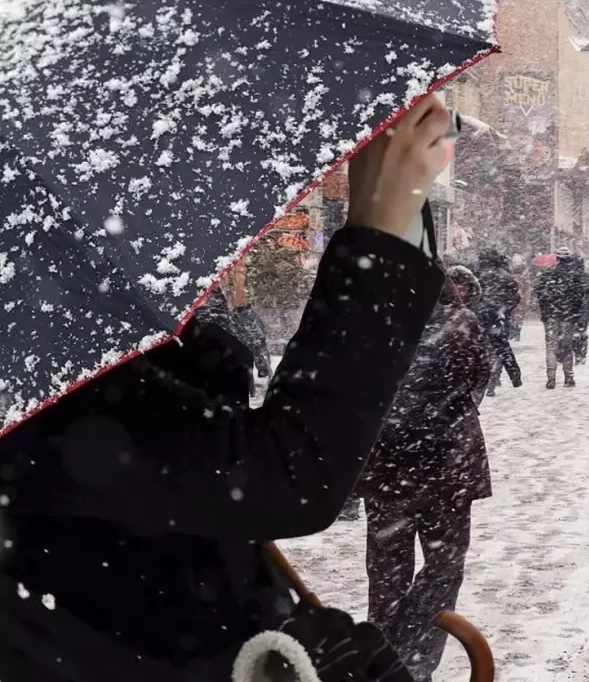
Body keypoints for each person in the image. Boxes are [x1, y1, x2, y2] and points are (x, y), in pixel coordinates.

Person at [0, 98, 451, 682]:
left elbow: (204, 515)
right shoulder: (35, 358)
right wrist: (380, 228)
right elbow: (285, 473)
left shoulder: (71, 323)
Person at [358, 265, 491, 682]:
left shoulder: (372, 324)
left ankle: (383, 657)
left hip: (386, 468)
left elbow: (352, 391)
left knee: (386, 573)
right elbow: (478, 377)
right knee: (443, 568)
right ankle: (415, 659)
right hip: (447, 468)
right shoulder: (462, 323)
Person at [475, 247, 522, 396]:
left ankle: (486, 380)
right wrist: (505, 309)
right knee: (501, 349)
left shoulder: (479, 276)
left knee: (483, 350)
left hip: (481, 316)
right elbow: (515, 297)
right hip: (499, 317)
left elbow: (472, 295)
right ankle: (505, 377)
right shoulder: (506, 277)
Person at [534, 249, 578, 389]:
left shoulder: (547, 276)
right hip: (567, 317)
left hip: (551, 316)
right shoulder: (573, 277)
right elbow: (579, 298)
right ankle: (568, 377)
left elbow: (541, 296)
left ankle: (551, 378)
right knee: (567, 347)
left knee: (551, 347)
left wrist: (546, 312)